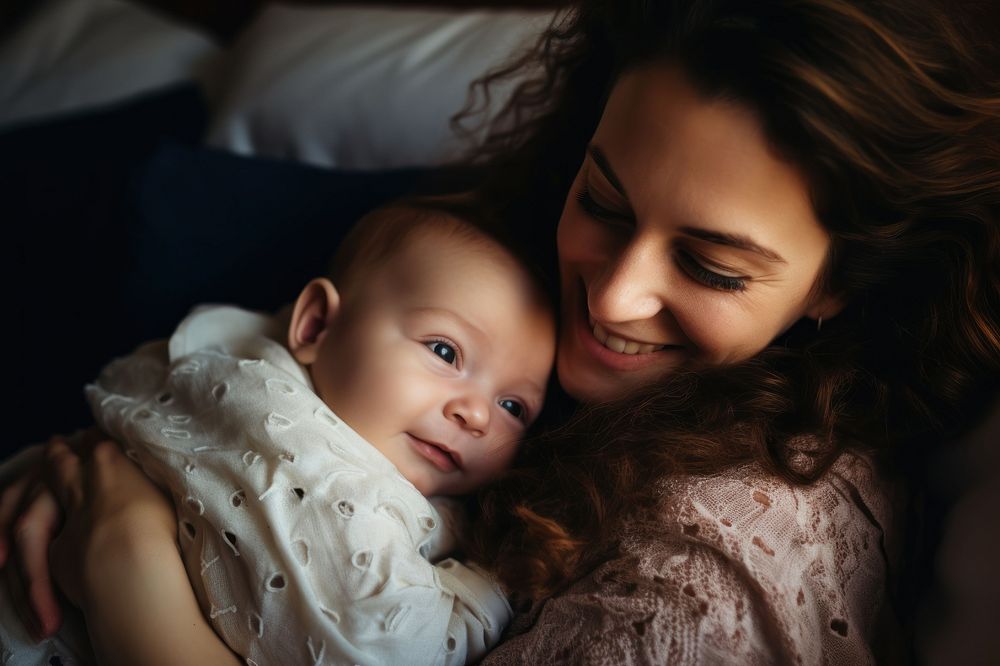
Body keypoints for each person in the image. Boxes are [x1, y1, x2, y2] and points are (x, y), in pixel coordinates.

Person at [2, 0, 998, 663]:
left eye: (709, 267)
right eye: (604, 200)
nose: (610, 300)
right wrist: (120, 468)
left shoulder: (715, 567)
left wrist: (129, 562)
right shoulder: (480, 274)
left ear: (839, 289)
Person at [0, 203, 556, 665]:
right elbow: (384, 642)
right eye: (444, 351)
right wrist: (492, 583)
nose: (477, 415)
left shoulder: (223, 355)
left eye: (513, 405)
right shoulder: (303, 448)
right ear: (315, 325)